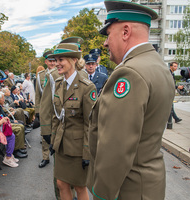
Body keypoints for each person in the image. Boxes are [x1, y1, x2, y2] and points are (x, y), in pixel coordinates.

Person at [87, 1, 175, 200]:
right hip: (148, 184)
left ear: (125, 31)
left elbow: (116, 147)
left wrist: (102, 194)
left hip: (127, 189)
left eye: (108, 34)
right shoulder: (157, 65)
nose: (105, 43)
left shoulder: (130, 72)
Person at [48, 42, 96, 200]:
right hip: (61, 146)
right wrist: (53, 140)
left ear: (74, 60)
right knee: (61, 184)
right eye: (56, 60)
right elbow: (56, 117)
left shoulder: (87, 87)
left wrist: (87, 153)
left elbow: (91, 124)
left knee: (80, 187)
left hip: (77, 148)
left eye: (61, 59)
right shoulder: (58, 84)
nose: (57, 64)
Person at [0, 92, 28, 158]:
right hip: (2, 125)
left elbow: (4, 115)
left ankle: (19, 147)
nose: (4, 100)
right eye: (2, 98)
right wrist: (11, 121)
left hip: (5, 122)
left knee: (21, 125)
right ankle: (15, 151)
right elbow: (1, 117)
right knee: (19, 128)